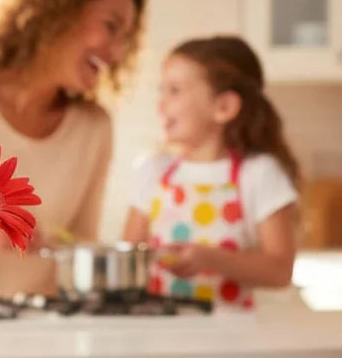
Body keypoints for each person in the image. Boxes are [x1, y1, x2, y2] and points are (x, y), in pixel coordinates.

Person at [0, 0, 146, 296]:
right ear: (60, 12)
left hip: (36, 328)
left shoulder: (93, 128)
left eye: (126, 39)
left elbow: (81, 244)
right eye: (111, 27)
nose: (117, 53)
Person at [122, 35, 300, 309]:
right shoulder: (153, 170)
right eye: (162, 90)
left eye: (175, 91)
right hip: (161, 337)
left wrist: (210, 259)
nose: (161, 103)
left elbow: (279, 271)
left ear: (223, 107)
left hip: (233, 341)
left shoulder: (259, 174)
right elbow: (127, 258)